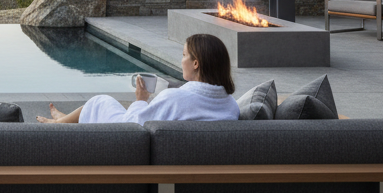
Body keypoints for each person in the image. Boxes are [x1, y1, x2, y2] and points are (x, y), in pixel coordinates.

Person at [37, 33, 238, 125]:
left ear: (196, 64)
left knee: (101, 102)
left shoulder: (175, 99)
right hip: (191, 174)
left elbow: (132, 126)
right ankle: (65, 120)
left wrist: (141, 101)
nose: (181, 59)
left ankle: (60, 124)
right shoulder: (230, 106)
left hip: (130, 148)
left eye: (184, 55)